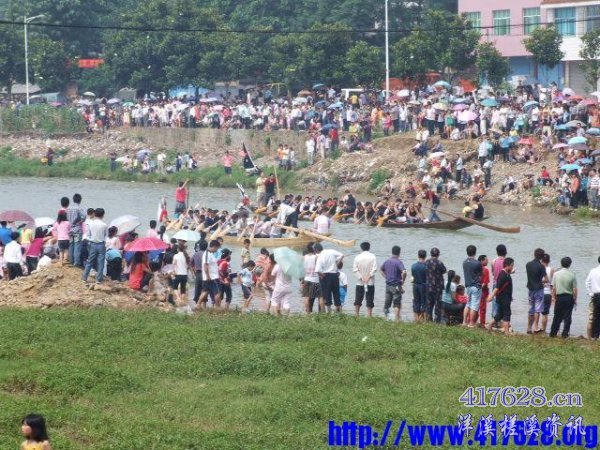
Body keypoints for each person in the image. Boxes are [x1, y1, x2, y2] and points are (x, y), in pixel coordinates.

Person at [550, 256, 578, 338]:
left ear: (561, 264)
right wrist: (575, 299)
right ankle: (565, 333)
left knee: (557, 316)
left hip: (559, 297)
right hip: (569, 297)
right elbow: (575, 289)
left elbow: (553, 288)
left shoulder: (556, 274)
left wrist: (553, 298)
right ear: (570, 264)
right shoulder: (572, 274)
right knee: (568, 316)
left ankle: (553, 333)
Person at [487, 258, 515, 335]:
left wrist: (510, 296)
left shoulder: (506, 273)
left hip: (505, 297)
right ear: (507, 265)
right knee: (507, 314)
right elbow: (497, 288)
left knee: (500, 314)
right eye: (512, 265)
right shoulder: (503, 275)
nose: (512, 267)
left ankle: (489, 325)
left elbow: (506, 286)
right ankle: (506, 332)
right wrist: (491, 296)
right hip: (503, 298)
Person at [314, 243, 344, 313]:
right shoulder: (331, 251)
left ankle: (329, 313)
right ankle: (340, 313)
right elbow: (342, 255)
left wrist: (322, 275)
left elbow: (317, 270)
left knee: (327, 295)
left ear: (316, 250)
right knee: (336, 294)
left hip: (326, 276)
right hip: (335, 275)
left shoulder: (320, 256)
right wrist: (337, 264)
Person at [380, 245, 407, 321]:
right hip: (396, 286)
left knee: (387, 303)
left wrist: (386, 277)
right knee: (397, 303)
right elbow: (404, 272)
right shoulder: (398, 262)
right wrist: (403, 281)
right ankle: (397, 319)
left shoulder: (387, 261)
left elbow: (381, 270)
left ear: (392, 252)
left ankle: (387, 318)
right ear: (399, 253)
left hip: (388, 285)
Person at [525, 248, 548, 334]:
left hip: (530, 288)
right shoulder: (541, 266)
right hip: (538, 289)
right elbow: (546, 279)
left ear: (534, 254)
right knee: (537, 309)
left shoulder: (528, 264)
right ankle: (536, 327)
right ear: (542, 257)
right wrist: (542, 282)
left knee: (531, 308)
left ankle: (529, 328)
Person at [352, 241, 377, 317]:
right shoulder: (373, 256)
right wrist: (368, 277)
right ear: (369, 248)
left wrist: (361, 277)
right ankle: (369, 315)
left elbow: (355, 270)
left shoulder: (357, 257)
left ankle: (356, 314)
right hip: (370, 281)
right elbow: (374, 269)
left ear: (361, 248)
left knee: (358, 298)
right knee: (370, 298)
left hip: (360, 282)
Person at [425, 247, 447, 322]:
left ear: (431, 254)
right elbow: (444, 270)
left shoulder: (427, 262)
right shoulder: (439, 262)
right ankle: (437, 320)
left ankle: (429, 320)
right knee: (438, 305)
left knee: (429, 304)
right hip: (438, 287)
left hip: (429, 286)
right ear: (438, 254)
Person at [462, 245, 482, 327]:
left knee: (468, 304)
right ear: (475, 252)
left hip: (468, 286)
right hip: (476, 286)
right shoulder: (477, 263)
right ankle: (471, 323)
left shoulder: (464, 262)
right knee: (474, 305)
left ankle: (464, 322)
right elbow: (481, 274)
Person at [66, 193, 85, 267]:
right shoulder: (79, 208)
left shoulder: (68, 209)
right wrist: (80, 221)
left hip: (70, 229)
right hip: (77, 229)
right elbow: (84, 217)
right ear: (80, 200)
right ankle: (76, 263)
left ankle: (71, 261)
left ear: (73, 200)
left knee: (71, 245)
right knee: (77, 246)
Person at [302, 243, 322, 314]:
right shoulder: (316, 257)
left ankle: (308, 313)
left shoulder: (304, 257)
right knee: (320, 296)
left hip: (306, 279)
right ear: (314, 249)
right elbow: (318, 268)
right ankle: (321, 313)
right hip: (315, 279)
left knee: (306, 297)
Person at [411, 249, 428, 322]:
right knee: (424, 302)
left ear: (418, 256)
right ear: (425, 256)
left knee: (416, 302)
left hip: (415, 285)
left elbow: (412, 277)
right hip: (424, 285)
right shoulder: (426, 266)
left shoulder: (413, 266)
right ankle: (424, 319)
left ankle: (417, 318)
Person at [586, 256, 600, 339]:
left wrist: (590, 293)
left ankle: (594, 336)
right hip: (596, 295)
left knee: (594, 316)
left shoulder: (593, 271)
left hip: (595, 296)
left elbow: (587, 283)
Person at [541, 253, 554, 334]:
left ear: (541, 260)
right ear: (549, 261)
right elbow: (553, 284)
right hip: (547, 293)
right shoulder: (552, 270)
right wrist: (553, 296)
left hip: (538, 292)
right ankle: (544, 330)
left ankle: (535, 327)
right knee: (545, 314)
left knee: (536, 312)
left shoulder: (538, 268)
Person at [191, 240, 207, 305]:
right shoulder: (207, 254)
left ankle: (197, 304)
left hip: (198, 273)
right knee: (205, 289)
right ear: (206, 247)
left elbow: (191, 263)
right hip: (205, 273)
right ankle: (204, 305)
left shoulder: (195, 254)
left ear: (199, 246)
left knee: (197, 289)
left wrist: (194, 271)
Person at [478, 255, 490, 327]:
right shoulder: (485, 270)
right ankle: (482, 323)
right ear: (481, 261)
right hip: (482, 291)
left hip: (475, 289)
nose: (487, 261)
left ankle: (471, 320)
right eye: (486, 260)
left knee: (474, 306)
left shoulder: (475, 269)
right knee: (483, 308)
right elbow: (485, 283)